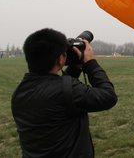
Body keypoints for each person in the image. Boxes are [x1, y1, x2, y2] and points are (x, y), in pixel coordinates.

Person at [12, 28, 117, 157]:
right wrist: (90, 63)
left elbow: (57, 89)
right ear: (60, 60)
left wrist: (76, 65)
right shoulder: (67, 90)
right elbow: (108, 96)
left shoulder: (20, 91)